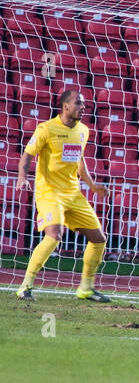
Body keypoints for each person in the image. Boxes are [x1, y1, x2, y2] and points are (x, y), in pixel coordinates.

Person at [14, 89, 111, 303]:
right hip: (49, 192)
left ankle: (86, 288)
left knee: (99, 239)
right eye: (79, 103)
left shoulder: (84, 130)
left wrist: (92, 185)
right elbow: (27, 156)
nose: (83, 107)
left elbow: (80, 161)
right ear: (66, 106)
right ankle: (25, 286)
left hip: (73, 193)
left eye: (84, 104)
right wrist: (23, 175)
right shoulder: (46, 129)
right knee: (54, 235)